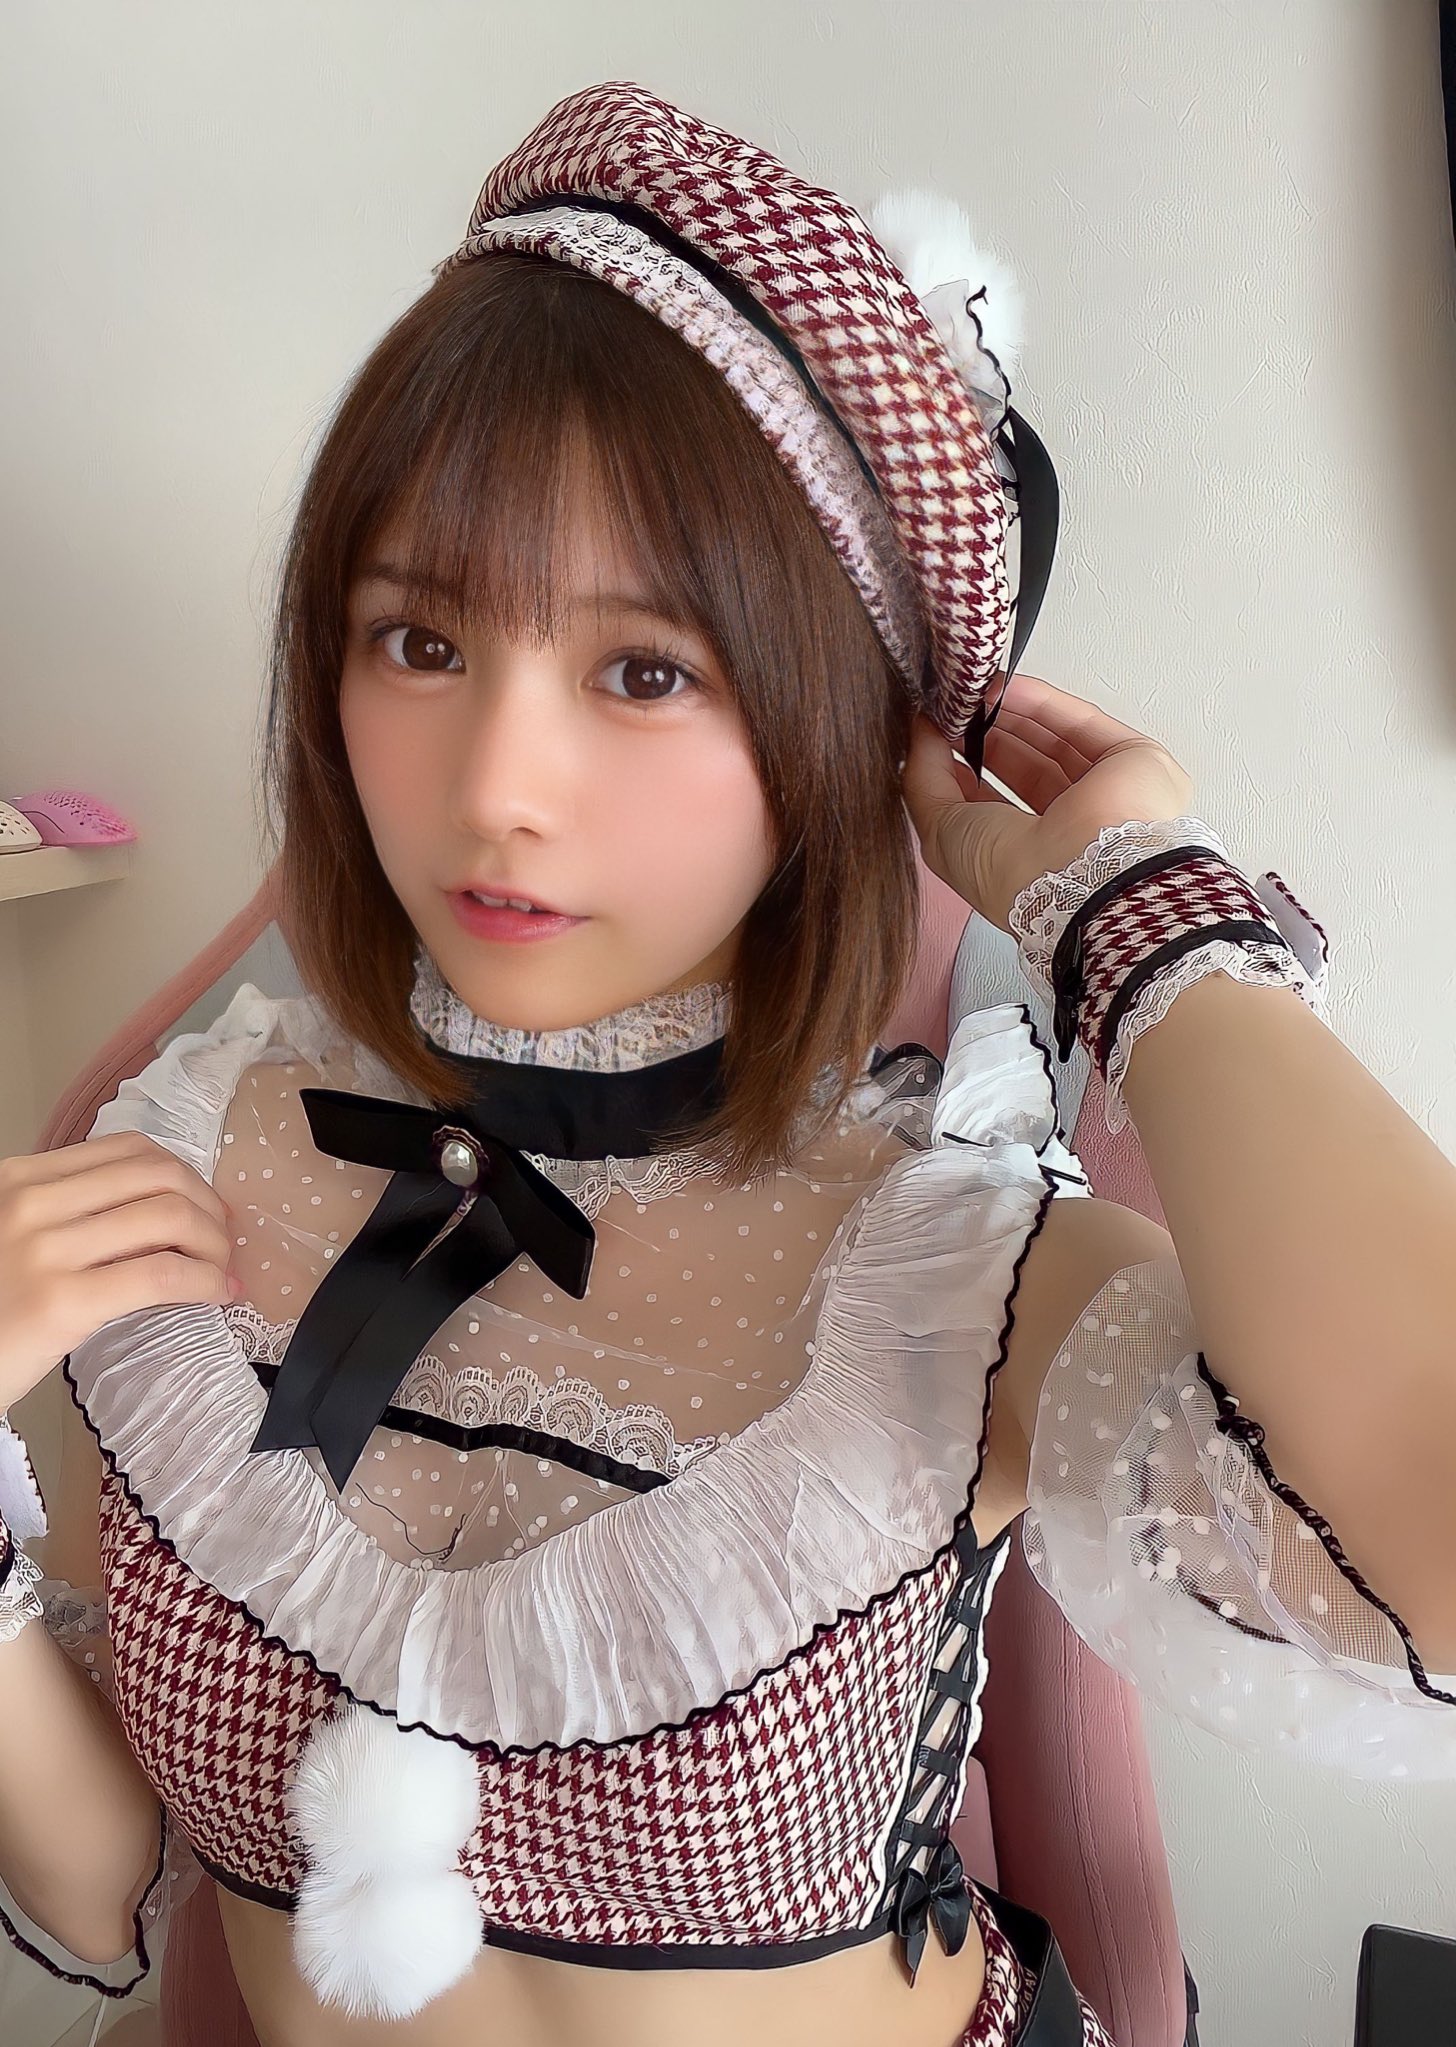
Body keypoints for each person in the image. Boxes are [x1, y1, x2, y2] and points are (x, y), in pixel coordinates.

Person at [1, 79, 1453, 2047]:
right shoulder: (184, 1155)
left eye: (644, 670)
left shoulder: (941, 1269)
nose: (496, 789)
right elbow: (113, 1890)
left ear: (834, 729)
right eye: (418, 642)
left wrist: (1130, 905)